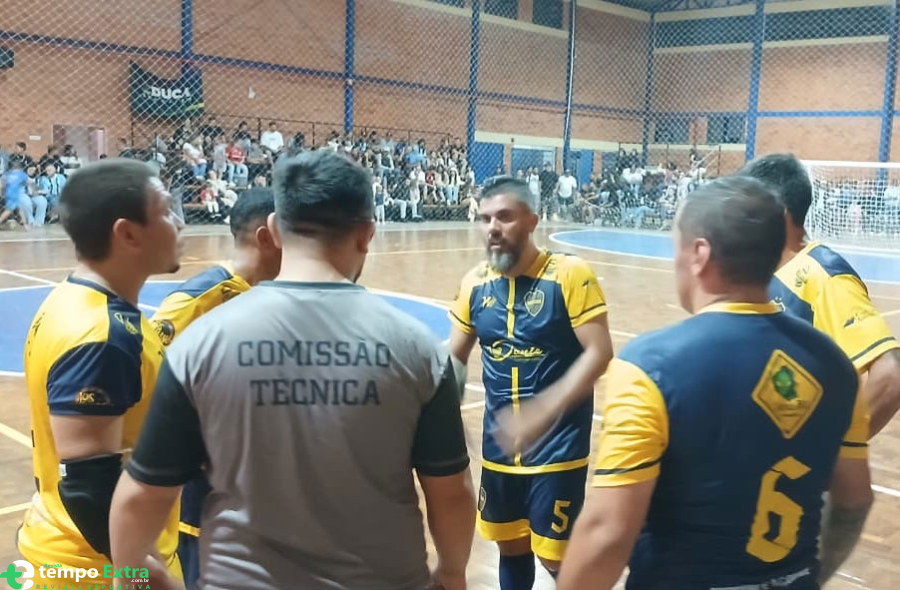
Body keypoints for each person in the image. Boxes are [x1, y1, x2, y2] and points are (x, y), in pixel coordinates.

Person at [108, 150, 476, 590]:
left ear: (277, 231)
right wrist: (452, 572)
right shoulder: (417, 349)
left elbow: (141, 497)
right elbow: (450, 494)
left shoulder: (199, 345)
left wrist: (132, 575)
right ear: (366, 234)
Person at [558, 177, 874, 590]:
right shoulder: (836, 367)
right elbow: (854, 500)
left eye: (676, 248)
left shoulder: (650, 367)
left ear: (700, 255)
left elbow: (607, 535)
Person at [17, 159, 185, 585]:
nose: (179, 223)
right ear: (127, 233)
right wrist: (143, 572)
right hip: (95, 568)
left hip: (95, 555)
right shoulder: (101, 335)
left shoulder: (78, 301)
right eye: (166, 210)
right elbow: (87, 486)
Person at [448, 177, 613, 588]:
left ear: (532, 221)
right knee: (511, 546)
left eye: (504, 216)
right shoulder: (475, 284)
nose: (492, 228)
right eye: (485, 218)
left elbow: (600, 352)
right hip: (499, 449)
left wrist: (542, 411)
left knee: (558, 559)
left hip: (558, 449)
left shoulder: (569, 275)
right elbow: (453, 358)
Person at [149, 187, 281, 590]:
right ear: (269, 236)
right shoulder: (198, 300)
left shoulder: (269, 295)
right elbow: (150, 386)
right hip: (207, 496)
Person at [742, 154, 900, 437]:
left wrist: (831, 452)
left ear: (779, 214)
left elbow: (891, 375)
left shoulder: (823, 275)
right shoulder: (762, 273)